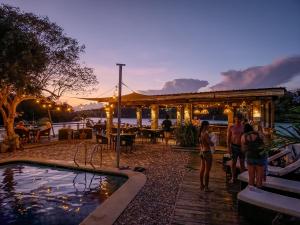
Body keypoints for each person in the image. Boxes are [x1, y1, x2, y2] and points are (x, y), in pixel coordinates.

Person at [241, 123, 265, 190]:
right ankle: (258, 196)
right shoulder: (259, 134)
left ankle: (251, 193)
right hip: (260, 157)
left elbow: (243, 150)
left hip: (250, 157)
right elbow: (266, 144)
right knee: (259, 179)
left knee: (251, 177)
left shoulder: (244, 136)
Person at [227, 113, 245, 183]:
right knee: (233, 163)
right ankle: (233, 177)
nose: (238, 120)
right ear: (235, 118)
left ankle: (243, 178)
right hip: (234, 146)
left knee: (242, 163)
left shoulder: (243, 127)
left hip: (242, 147)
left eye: (240, 118)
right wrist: (228, 148)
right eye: (237, 118)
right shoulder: (231, 127)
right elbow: (228, 139)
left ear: (241, 119)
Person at [199, 121, 214, 192]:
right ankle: (206, 188)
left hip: (202, 152)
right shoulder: (205, 134)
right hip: (207, 152)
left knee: (202, 169)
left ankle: (202, 185)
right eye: (208, 125)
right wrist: (212, 142)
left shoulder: (201, 133)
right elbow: (210, 143)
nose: (209, 126)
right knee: (207, 171)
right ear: (205, 126)